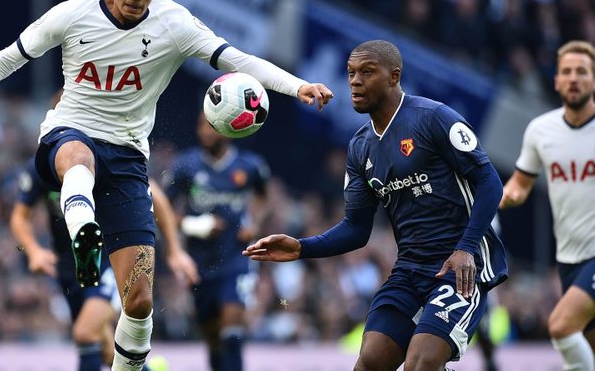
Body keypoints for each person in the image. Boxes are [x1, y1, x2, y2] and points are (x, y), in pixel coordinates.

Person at [0, 0, 332, 370]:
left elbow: (239, 60)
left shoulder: (175, 24)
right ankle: (84, 231)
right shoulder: (73, 15)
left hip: (128, 159)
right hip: (68, 133)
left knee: (138, 302)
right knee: (79, 158)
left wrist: (297, 86)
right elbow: (8, 59)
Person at [243, 40, 508, 370]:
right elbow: (356, 228)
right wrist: (301, 247)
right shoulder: (360, 147)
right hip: (409, 270)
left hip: (459, 267)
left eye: (367, 72)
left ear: (394, 76)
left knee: (420, 363)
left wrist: (466, 248)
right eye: (351, 73)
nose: (355, 81)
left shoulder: (434, 118)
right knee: (369, 363)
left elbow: (490, 182)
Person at [11, 158, 198, 371]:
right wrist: (33, 250)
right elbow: (19, 216)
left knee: (85, 332)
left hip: (109, 260)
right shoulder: (44, 163)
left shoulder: (104, 154)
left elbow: (157, 199)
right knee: (107, 350)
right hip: (69, 267)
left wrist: (174, 250)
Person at [499, 40, 595, 371]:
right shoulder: (540, 131)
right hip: (568, 258)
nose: (573, 78)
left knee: (561, 325)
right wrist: (496, 199)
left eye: (582, 71)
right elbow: (520, 185)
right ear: (556, 81)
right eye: (566, 72)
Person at [164, 113, 269, 371]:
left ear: (227, 128)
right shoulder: (185, 166)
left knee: (231, 327)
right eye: (201, 125)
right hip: (199, 262)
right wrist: (194, 225)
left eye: (211, 125)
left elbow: (263, 196)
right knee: (213, 337)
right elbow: (163, 209)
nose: (205, 131)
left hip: (236, 257)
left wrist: (253, 224)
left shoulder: (249, 165)